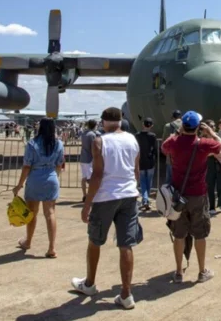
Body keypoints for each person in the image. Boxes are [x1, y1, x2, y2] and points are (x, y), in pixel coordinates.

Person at [71, 107, 142, 310]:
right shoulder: (132, 140)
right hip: (129, 195)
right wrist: (132, 189)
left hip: (106, 197)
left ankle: (90, 284)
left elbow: (97, 174)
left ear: (103, 122)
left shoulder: (99, 141)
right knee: (126, 244)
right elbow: (136, 170)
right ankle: (126, 294)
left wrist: (87, 204)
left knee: (95, 241)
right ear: (120, 121)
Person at [161, 111, 221, 282]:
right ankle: (202, 271)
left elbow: (163, 147)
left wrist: (178, 132)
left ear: (183, 126)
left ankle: (178, 272)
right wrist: (211, 133)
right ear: (198, 127)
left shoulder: (174, 142)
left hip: (178, 197)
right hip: (198, 195)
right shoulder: (203, 144)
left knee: (179, 235)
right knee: (200, 234)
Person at [12, 118, 65, 258]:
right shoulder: (59, 143)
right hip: (51, 177)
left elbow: (27, 166)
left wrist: (19, 184)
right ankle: (52, 247)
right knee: (50, 213)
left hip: (35, 178)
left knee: (31, 212)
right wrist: (55, 177)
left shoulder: (32, 143)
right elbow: (59, 164)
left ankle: (28, 241)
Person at [206, 118, 221, 215]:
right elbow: (204, 153)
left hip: (219, 163)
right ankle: (211, 207)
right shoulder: (203, 138)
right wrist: (213, 153)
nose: (214, 128)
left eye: (214, 126)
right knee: (210, 186)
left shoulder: (217, 136)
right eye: (211, 126)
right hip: (210, 164)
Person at [136, 118, 158, 211]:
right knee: (149, 182)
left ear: (143, 124)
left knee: (143, 182)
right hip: (150, 161)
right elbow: (155, 149)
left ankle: (145, 200)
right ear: (151, 126)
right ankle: (146, 199)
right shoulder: (152, 136)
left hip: (140, 161)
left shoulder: (137, 135)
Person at [80, 119, 99, 203]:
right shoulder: (92, 135)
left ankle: (84, 195)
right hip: (89, 159)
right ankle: (91, 196)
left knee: (84, 178)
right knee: (91, 179)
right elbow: (93, 147)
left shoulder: (84, 133)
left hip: (83, 158)